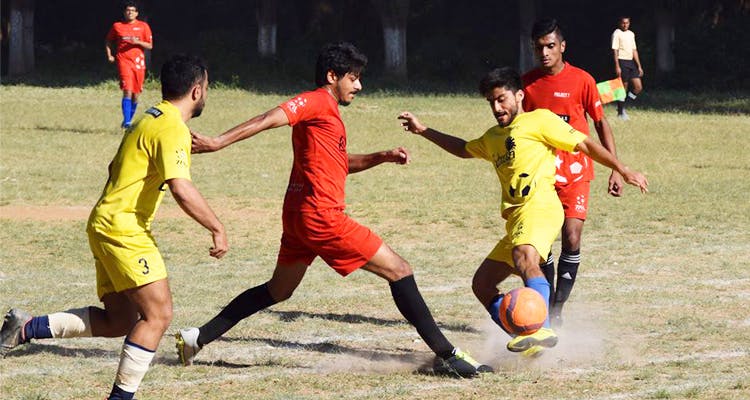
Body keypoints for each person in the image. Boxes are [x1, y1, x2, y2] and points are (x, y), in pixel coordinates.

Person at [176, 42, 490, 378]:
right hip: (321, 217)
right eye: (353, 78)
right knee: (399, 269)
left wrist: (380, 157)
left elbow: (338, 164)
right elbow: (271, 117)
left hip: (299, 217)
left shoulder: (328, 115)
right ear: (332, 76)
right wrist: (218, 141)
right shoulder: (315, 101)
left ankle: (198, 337)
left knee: (278, 290)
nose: (358, 85)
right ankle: (446, 354)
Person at [0, 54, 228, 400]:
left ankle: (26, 328)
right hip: (124, 229)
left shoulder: (148, 118)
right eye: (207, 87)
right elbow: (181, 188)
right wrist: (216, 226)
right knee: (158, 314)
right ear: (197, 90)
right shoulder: (173, 127)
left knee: (120, 320)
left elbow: (113, 166)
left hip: (104, 223)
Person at [398, 67, 648, 357]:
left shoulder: (540, 120)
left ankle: (539, 328)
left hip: (540, 207)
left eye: (502, 99)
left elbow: (584, 144)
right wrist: (423, 130)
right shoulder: (493, 137)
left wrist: (622, 168)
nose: (497, 107)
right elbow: (464, 148)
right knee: (482, 284)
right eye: (491, 102)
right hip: (517, 219)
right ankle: (529, 342)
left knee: (524, 257)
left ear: (519, 95)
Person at [521, 18, 624, 326]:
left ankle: (557, 309)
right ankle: (545, 301)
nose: (545, 53)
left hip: (577, 170)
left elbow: (600, 123)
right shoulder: (526, 85)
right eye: (539, 47)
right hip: (542, 173)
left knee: (572, 235)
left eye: (550, 46)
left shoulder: (583, 80)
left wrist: (615, 169)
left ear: (562, 46)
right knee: (543, 241)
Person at [106, 1, 153, 128]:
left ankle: (128, 119)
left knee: (136, 95)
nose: (130, 12)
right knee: (127, 90)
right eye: (128, 10)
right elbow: (108, 41)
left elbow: (150, 45)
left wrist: (137, 42)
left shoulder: (143, 26)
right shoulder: (117, 26)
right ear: (124, 12)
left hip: (138, 63)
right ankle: (127, 122)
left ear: (137, 13)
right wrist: (110, 55)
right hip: (123, 61)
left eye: (132, 10)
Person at [611, 16, 643, 120]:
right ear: (620, 23)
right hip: (622, 61)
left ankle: (624, 106)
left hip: (631, 62)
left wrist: (639, 66)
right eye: (623, 23)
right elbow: (615, 50)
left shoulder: (631, 34)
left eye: (627, 23)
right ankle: (620, 112)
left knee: (638, 87)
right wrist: (617, 66)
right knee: (623, 88)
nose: (625, 25)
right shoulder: (617, 33)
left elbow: (634, 50)